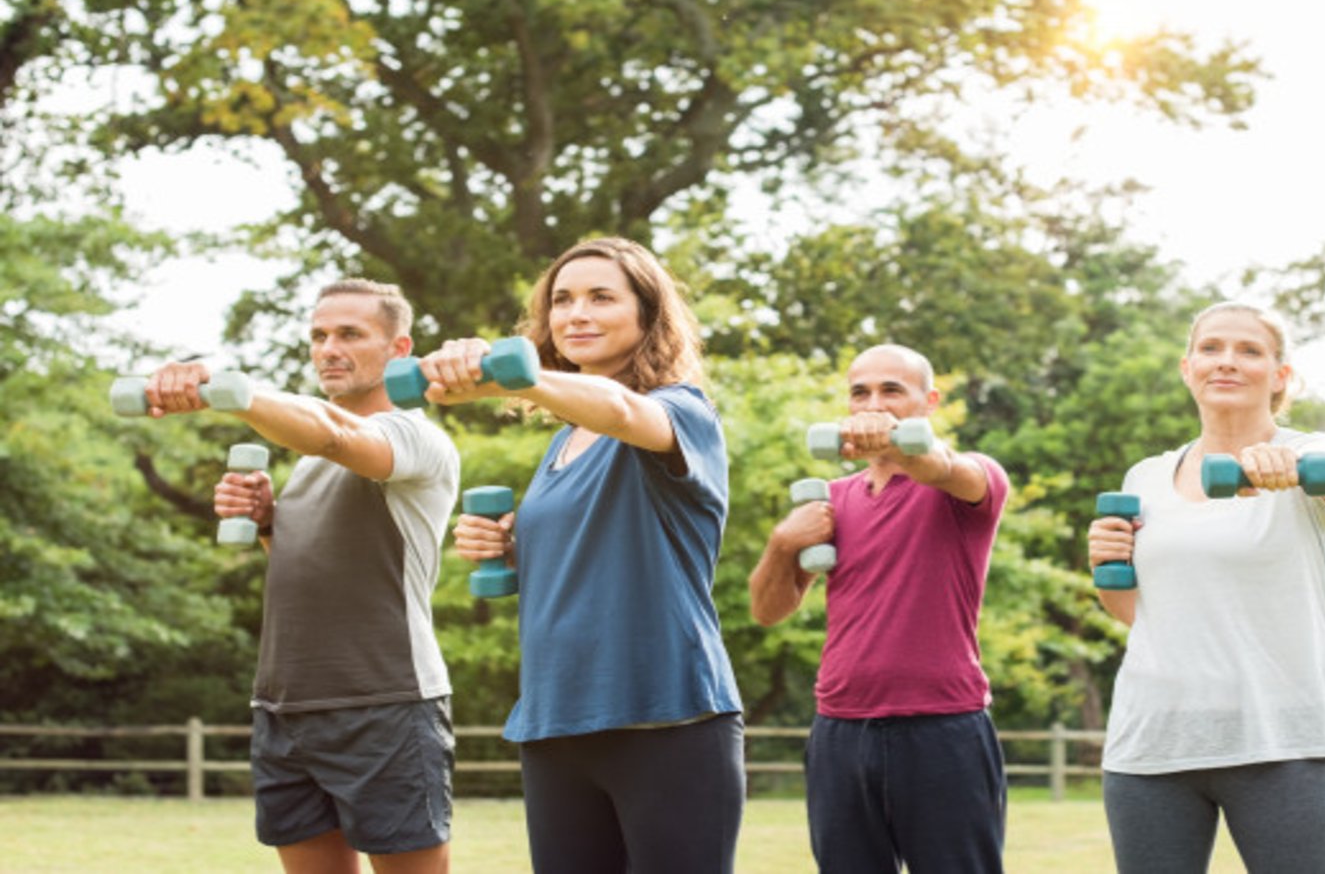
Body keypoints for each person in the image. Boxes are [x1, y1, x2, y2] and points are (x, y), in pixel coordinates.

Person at [422, 236, 744, 874]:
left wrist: (512, 372)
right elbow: (598, 555)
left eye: (602, 297)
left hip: (667, 717)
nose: (576, 314)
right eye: (562, 301)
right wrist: (510, 548)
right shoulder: (563, 443)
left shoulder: (681, 411)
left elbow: (624, 408)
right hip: (556, 722)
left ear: (648, 317)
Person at [142, 279, 460, 874]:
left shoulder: (416, 438)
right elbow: (316, 569)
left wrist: (227, 390)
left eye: (349, 334)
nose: (328, 349)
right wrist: (268, 524)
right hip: (285, 707)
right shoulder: (308, 459)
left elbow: (338, 432)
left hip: (385, 702)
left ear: (399, 349)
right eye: (318, 336)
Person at [1086, 300, 1325, 873]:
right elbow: (1140, 613)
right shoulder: (1145, 478)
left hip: (1282, 740)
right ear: (1188, 368)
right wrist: (1107, 566)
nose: (1226, 362)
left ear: (1280, 376)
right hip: (1152, 742)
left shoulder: (1314, 455)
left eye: (1249, 351)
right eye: (1211, 349)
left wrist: (1285, 463)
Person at [749, 343, 1011, 874]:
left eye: (892, 390)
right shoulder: (828, 500)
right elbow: (768, 611)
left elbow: (939, 465)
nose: (873, 402)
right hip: (839, 730)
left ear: (929, 402)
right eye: (860, 392)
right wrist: (782, 542)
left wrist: (897, 445)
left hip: (943, 728)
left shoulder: (971, 480)